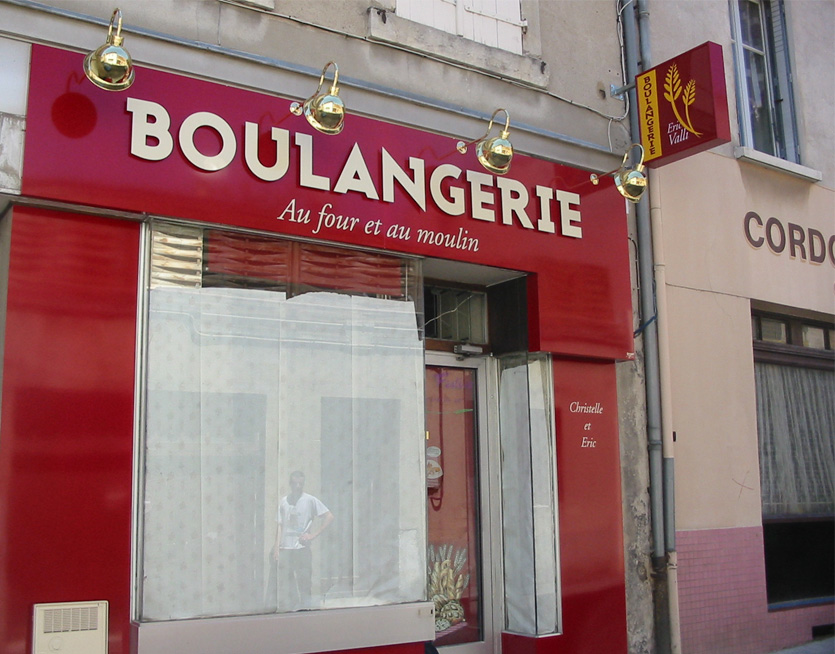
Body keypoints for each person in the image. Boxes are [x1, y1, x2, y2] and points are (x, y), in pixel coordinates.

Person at [273, 470, 333, 610]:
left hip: (302, 548)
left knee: (304, 582)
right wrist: (277, 548)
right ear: (290, 484)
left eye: (300, 483)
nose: (298, 486)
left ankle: (305, 610)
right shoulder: (284, 501)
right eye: (295, 483)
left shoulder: (309, 500)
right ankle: (291, 610)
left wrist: (313, 535)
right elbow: (280, 525)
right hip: (286, 549)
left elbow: (329, 516)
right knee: (287, 583)